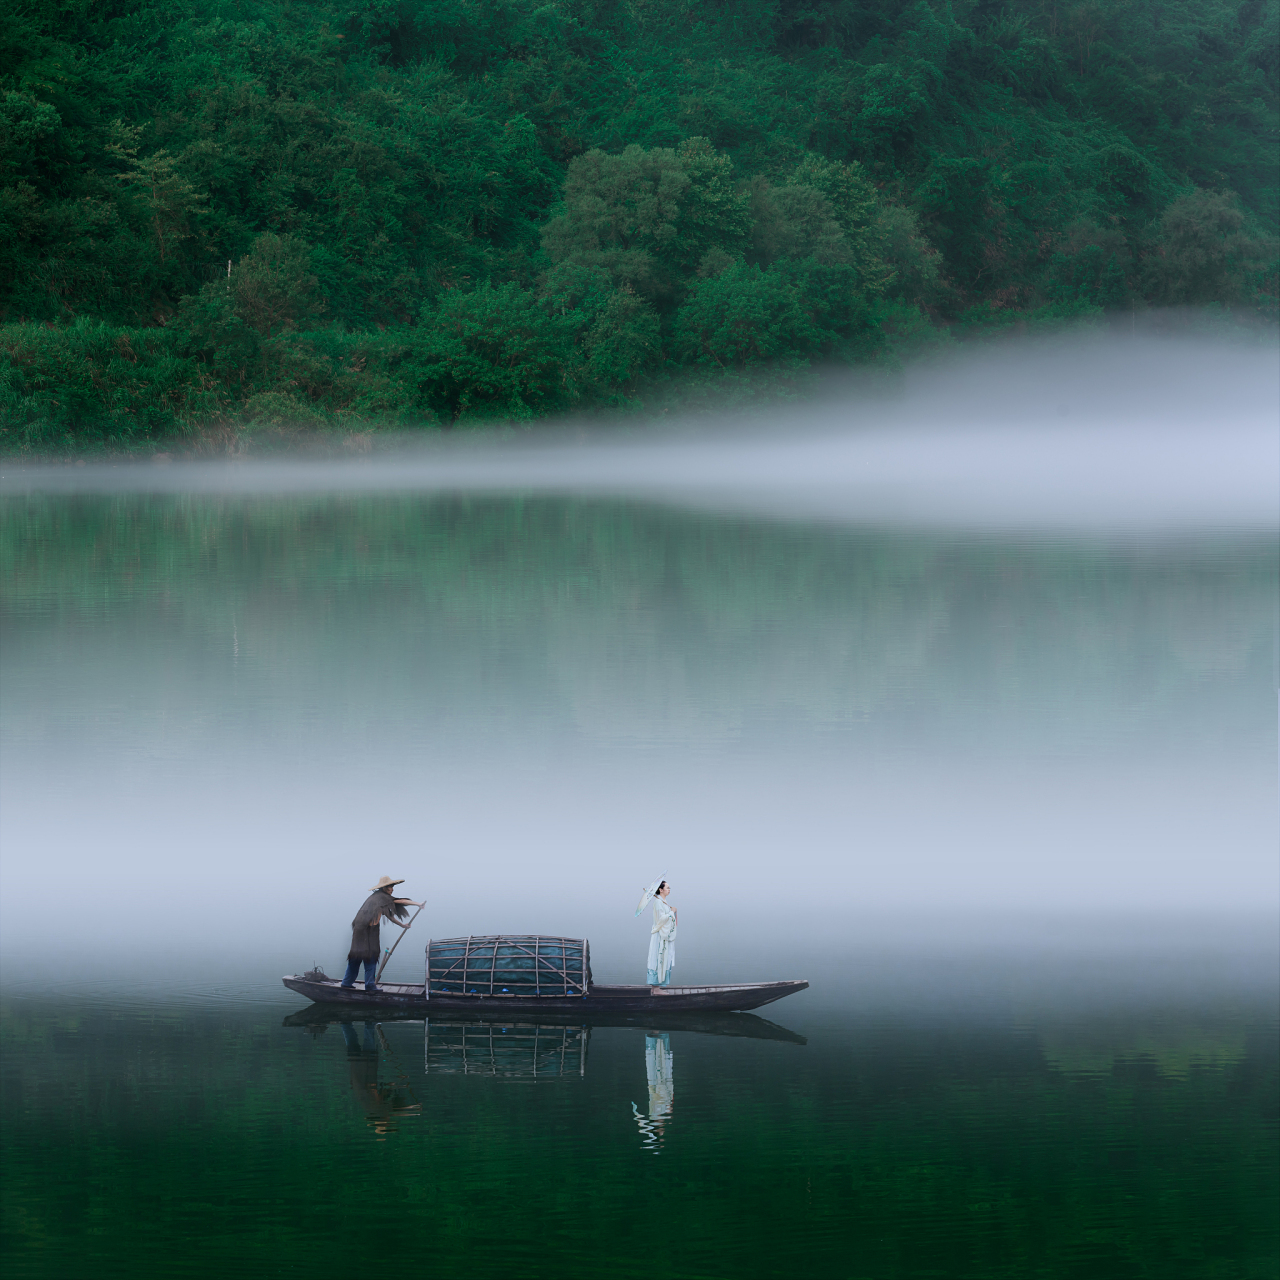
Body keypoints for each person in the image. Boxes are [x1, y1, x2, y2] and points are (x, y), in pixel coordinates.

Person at [343, 876, 420, 991]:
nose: (392, 889)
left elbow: (390, 917)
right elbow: (400, 901)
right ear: (384, 887)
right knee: (369, 958)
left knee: (356, 957)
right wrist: (418, 904)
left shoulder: (378, 899)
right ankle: (369, 986)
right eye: (390, 887)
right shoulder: (380, 897)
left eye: (392, 886)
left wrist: (403, 925)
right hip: (365, 933)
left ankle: (346, 983)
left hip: (362, 932)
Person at [646, 880, 677, 988]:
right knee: (658, 958)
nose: (669, 890)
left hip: (664, 935)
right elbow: (661, 919)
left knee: (664, 958)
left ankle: (658, 986)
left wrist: (671, 911)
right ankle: (655, 987)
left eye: (669, 888)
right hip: (660, 935)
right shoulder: (658, 902)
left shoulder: (663, 901)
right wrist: (672, 912)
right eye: (667, 887)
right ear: (660, 889)